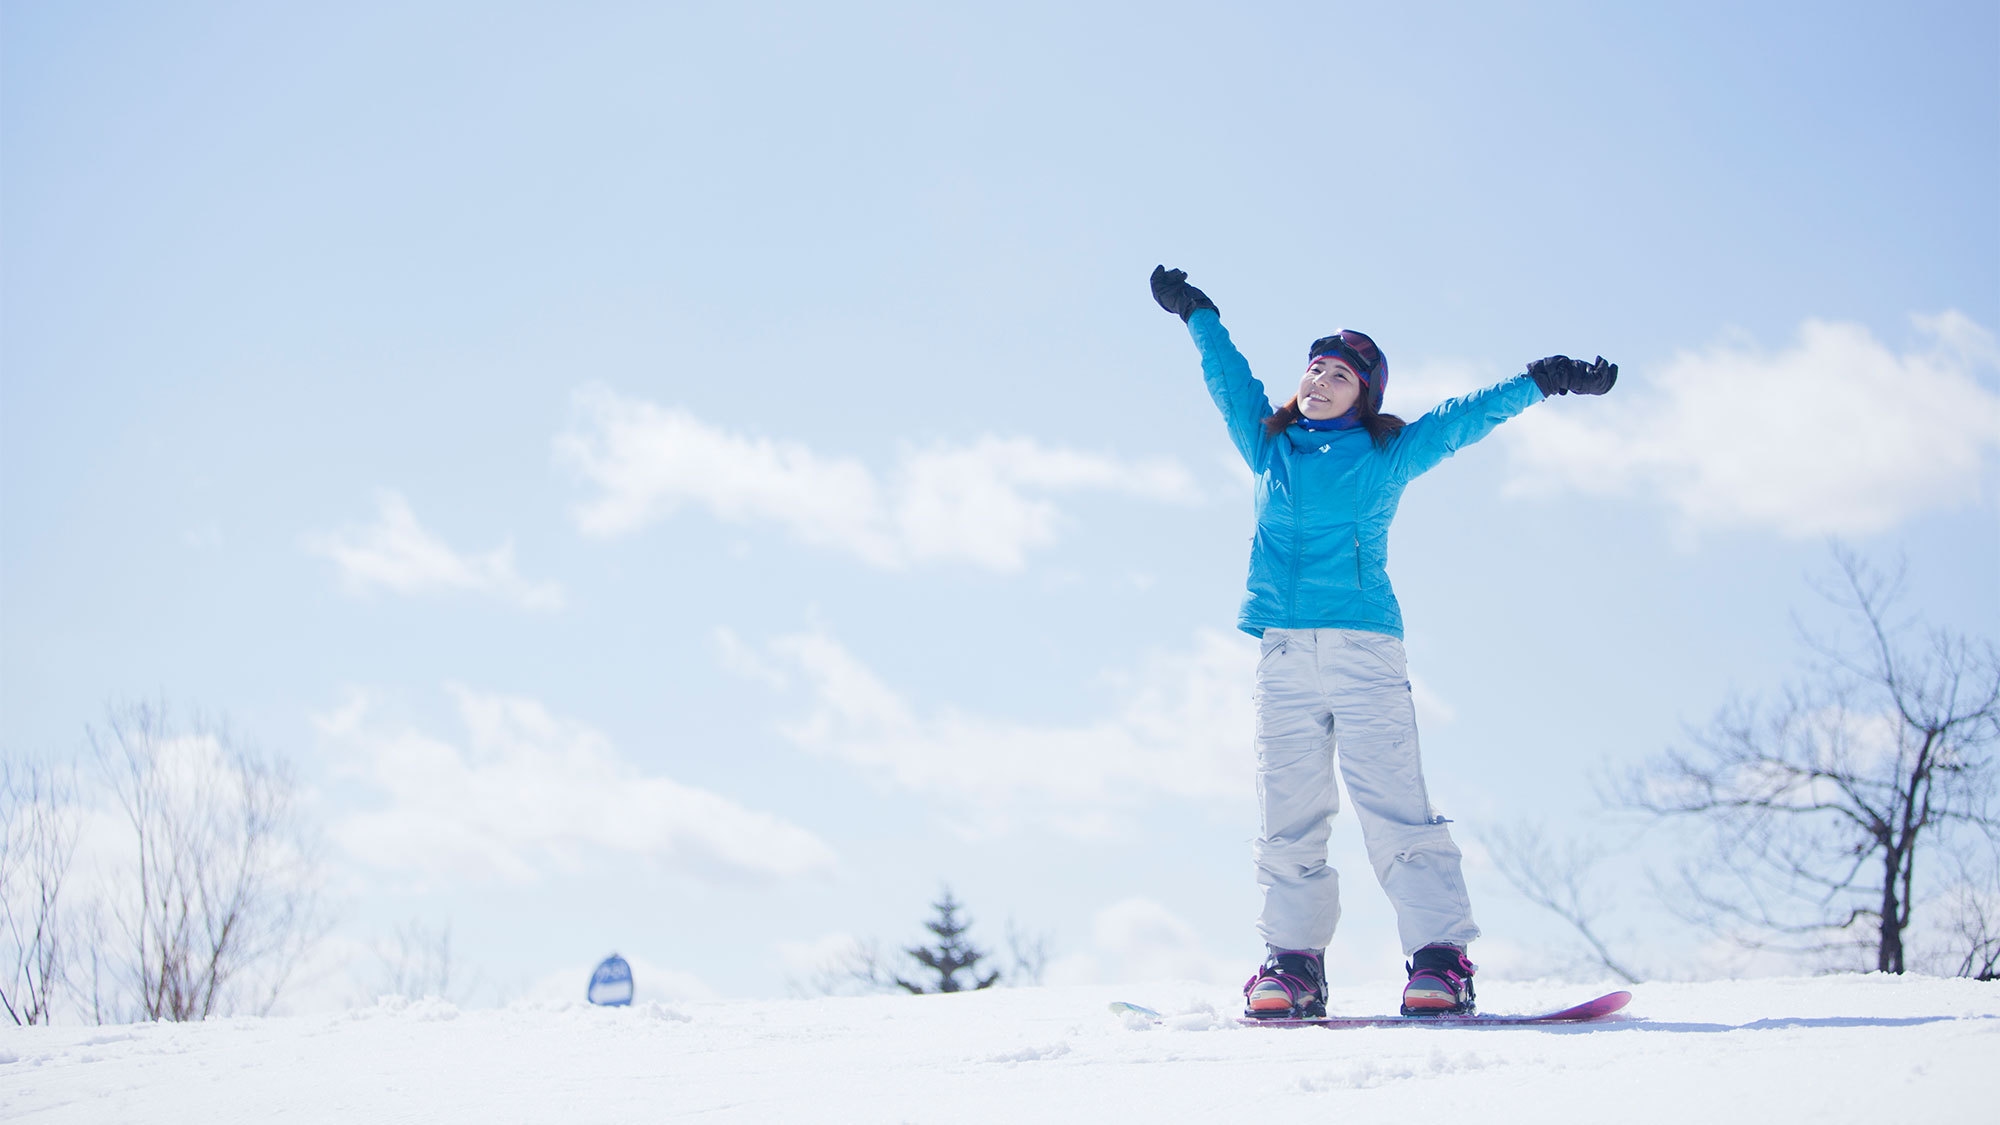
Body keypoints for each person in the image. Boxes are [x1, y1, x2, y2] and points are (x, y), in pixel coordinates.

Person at [1148, 265, 1616, 1019]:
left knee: (1397, 810)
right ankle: (1293, 965)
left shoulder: (1384, 455)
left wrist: (1543, 380)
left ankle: (1440, 958)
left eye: (1340, 374)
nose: (1321, 381)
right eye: (1314, 369)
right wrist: (1197, 312)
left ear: (1366, 394)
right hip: (1284, 657)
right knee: (1287, 815)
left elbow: (1464, 418)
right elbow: (1229, 379)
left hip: (1366, 652)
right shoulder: (1271, 450)